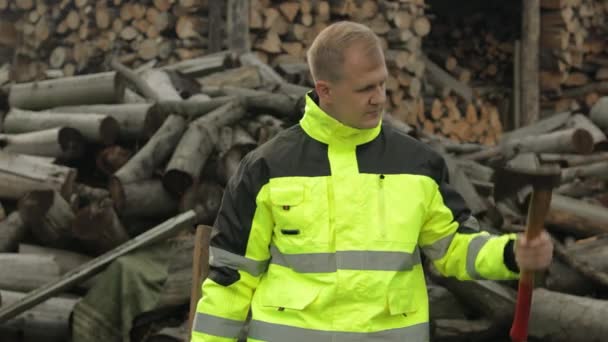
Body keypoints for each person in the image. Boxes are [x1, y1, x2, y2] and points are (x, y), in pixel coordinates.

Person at [191, 21, 553, 342]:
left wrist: (511, 253)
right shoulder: (266, 169)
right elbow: (229, 282)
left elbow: (456, 248)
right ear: (325, 90)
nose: (379, 98)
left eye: (382, 84)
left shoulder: (417, 165)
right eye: (365, 88)